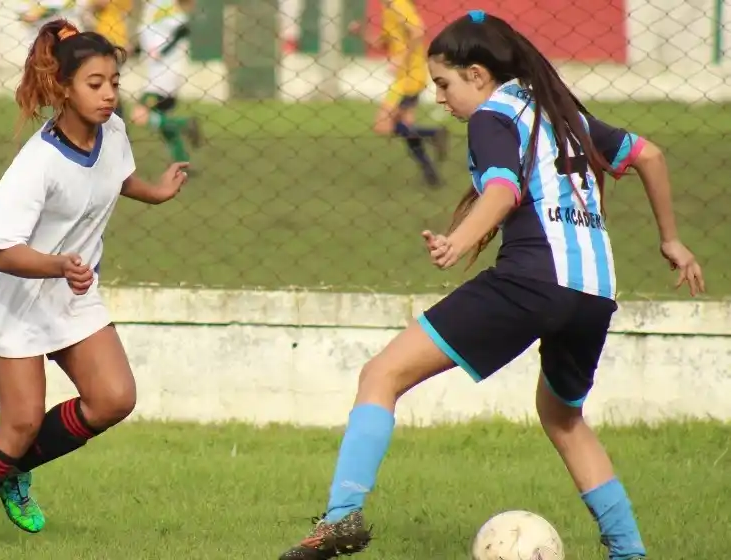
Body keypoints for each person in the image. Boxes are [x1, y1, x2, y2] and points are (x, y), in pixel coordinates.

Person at [278, 10, 705, 560]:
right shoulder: (561, 111)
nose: (439, 98)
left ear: (477, 75)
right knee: (563, 417)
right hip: (594, 295)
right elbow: (649, 154)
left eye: (443, 83)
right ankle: (629, 552)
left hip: (531, 281)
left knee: (381, 374)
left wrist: (459, 240)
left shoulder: (493, 115)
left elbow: (502, 191)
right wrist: (671, 239)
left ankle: (339, 520)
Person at [0, 18, 190, 548]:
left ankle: (14, 471)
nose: (109, 93)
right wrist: (59, 265)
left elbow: (112, 176)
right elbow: (3, 251)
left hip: (72, 290)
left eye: (114, 81)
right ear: (63, 88)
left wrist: (155, 193)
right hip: (18, 294)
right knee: (18, 424)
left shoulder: (111, 130)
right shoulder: (37, 163)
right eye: (95, 84)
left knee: (114, 397)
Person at [348, 0, 448, 188]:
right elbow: (382, 44)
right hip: (410, 76)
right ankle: (431, 174)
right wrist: (360, 32)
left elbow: (418, 31)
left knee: (382, 125)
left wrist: (400, 59)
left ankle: (433, 133)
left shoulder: (398, 3)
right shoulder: (388, 7)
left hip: (408, 79)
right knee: (406, 128)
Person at [131, 0, 202, 165]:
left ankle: (185, 123)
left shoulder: (166, 7)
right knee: (164, 124)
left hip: (163, 76)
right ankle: (182, 162)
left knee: (139, 115)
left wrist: (162, 52)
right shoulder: (154, 10)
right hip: (164, 74)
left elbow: (182, 30)